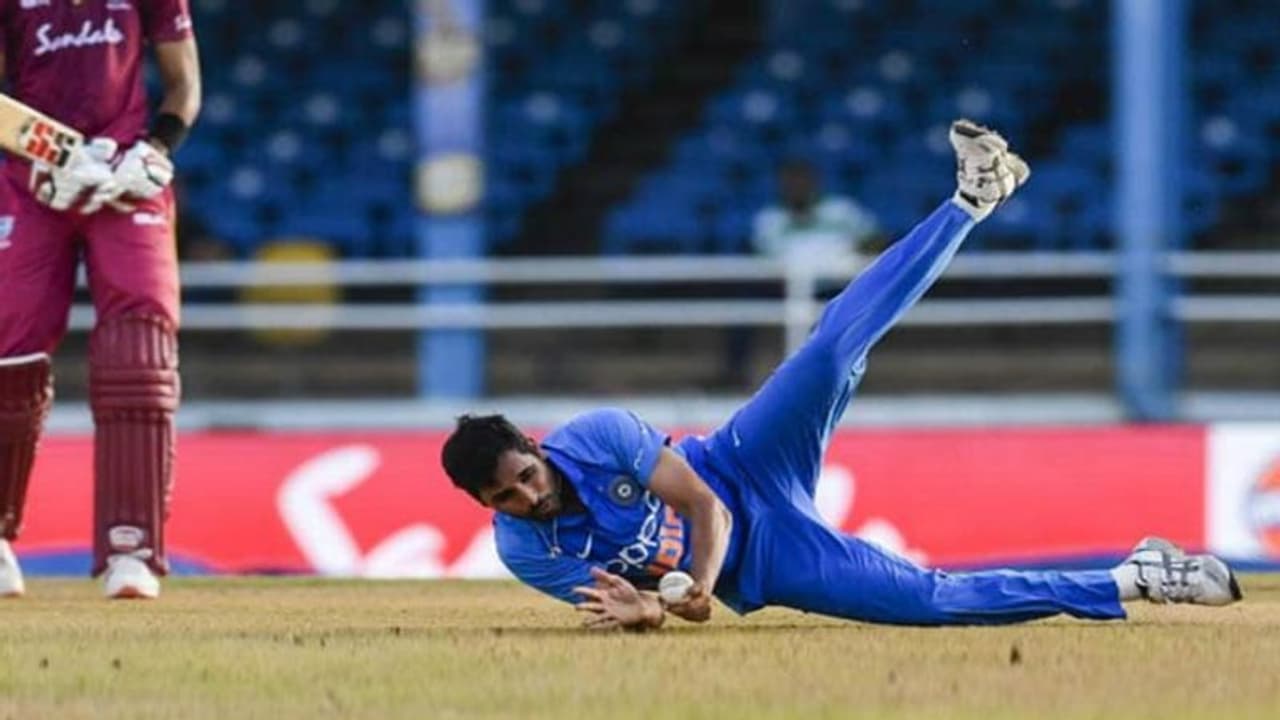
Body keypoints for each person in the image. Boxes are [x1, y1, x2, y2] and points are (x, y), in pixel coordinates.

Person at [441, 120, 1243, 631]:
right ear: (486, 508)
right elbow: (629, 607)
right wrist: (650, 611)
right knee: (927, 601)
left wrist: (695, 588)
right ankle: (1136, 576)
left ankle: (971, 199)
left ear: (535, 448)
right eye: (504, 499)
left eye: (523, 476)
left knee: (830, 350)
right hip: (768, 563)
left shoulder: (595, 435)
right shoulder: (524, 550)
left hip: (740, 465)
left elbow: (702, 504)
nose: (527, 499)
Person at [0, 0, 201, 599]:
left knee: (139, 354)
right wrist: (52, 153)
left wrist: (155, 152)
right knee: (8, 348)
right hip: (32, 182)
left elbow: (184, 84)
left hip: (125, 180)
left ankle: (131, 548)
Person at [751, 157, 880, 265]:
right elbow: (760, 261)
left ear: (814, 181)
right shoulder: (768, 220)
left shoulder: (842, 210)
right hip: (791, 285)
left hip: (844, 281)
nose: (797, 185)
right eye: (790, 180)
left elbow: (876, 240)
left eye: (802, 178)